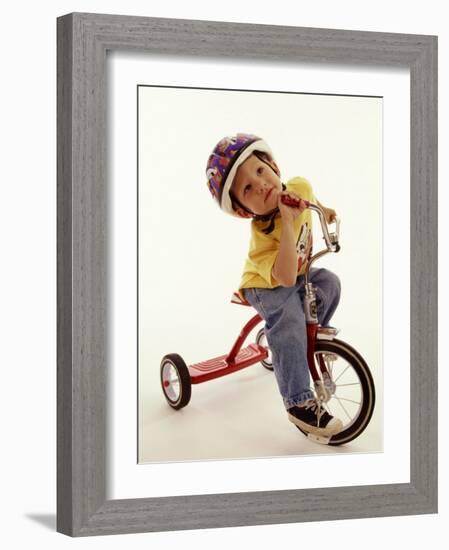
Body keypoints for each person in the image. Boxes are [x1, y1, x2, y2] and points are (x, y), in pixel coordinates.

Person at [206, 133, 343, 437]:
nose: (261, 185)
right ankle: (298, 403)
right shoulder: (265, 232)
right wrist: (289, 222)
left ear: (273, 166)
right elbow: (284, 279)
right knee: (289, 317)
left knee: (329, 282)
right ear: (245, 210)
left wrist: (324, 208)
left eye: (259, 171)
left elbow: (309, 196)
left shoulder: (298, 186)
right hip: (265, 282)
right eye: (248, 189)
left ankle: (310, 339)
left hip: (295, 271)